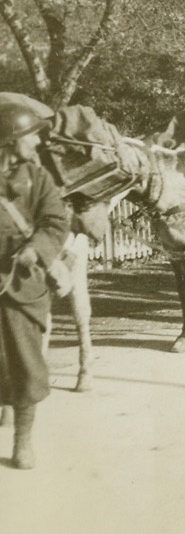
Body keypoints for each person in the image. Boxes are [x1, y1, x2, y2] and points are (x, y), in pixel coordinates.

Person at [0, 103, 69, 469]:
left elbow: (56, 221)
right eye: (32, 134)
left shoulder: (39, 177)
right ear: (11, 140)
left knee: (25, 364)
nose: (39, 140)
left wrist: (37, 248)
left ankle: (22, 442)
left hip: (23, 286)